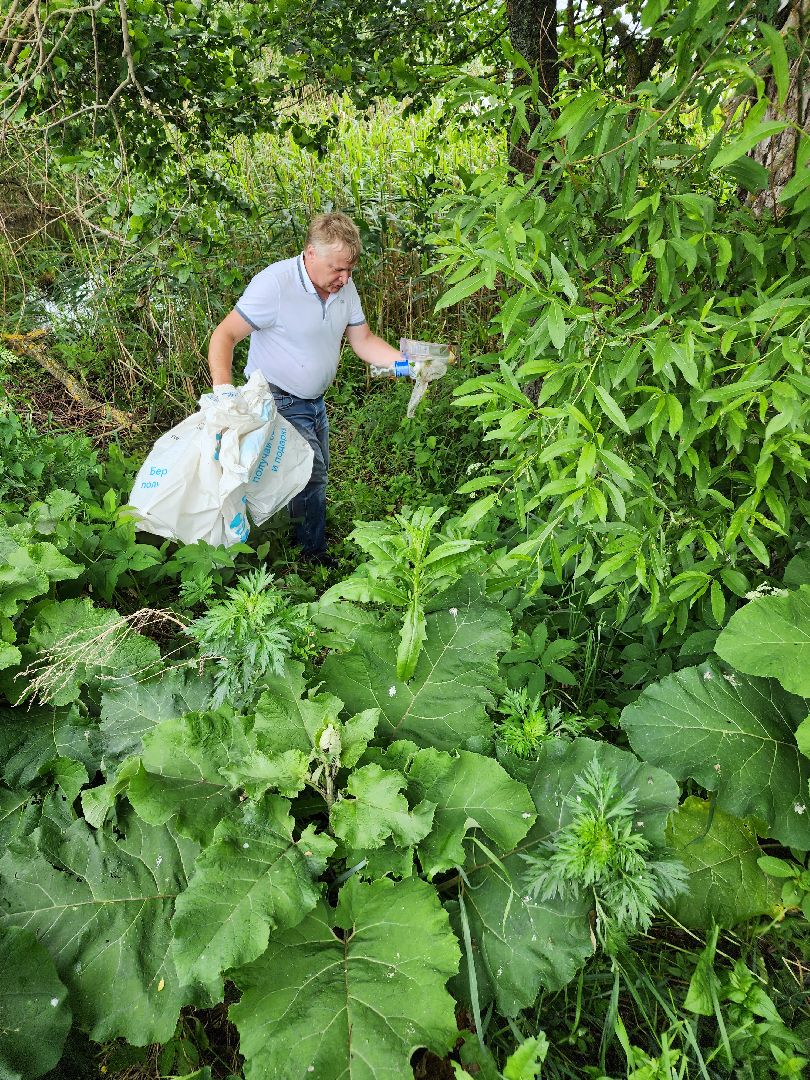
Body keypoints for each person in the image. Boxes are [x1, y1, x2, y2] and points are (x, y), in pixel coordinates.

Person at [207, 212, 414, 563]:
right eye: (337, 269)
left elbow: (363, 340)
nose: (344, 278)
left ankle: (282, 536)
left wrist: (403, 363)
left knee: (307, 474)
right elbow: (224, 335)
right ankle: (311, 555)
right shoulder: (275, 285)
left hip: (315, 402)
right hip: (277, 397)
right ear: (310, 253)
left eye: (350, 270)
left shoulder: (344, 288)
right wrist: (223, 390)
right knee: (310, 475)